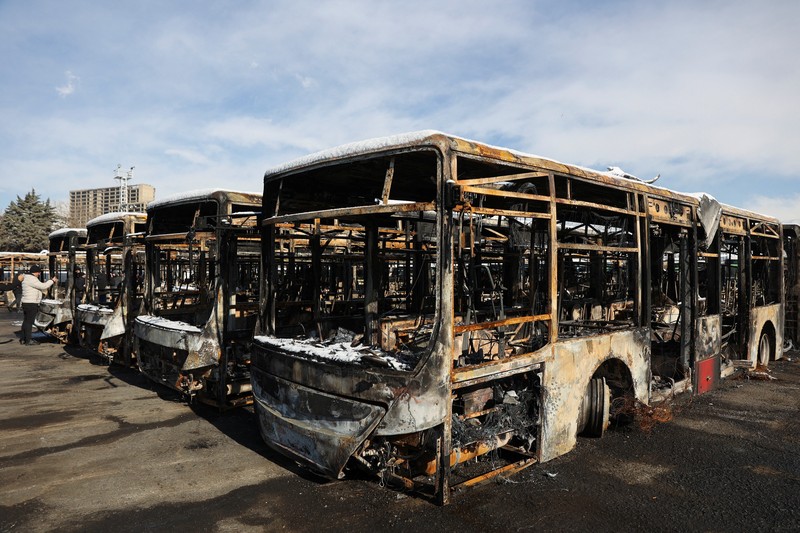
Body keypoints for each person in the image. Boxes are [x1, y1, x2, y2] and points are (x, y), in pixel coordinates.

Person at [20, 265, 57, 345]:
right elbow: (43, 286)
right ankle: (28, 340)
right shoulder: (31, 279)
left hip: (26, 302)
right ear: (35, 272)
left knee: (26, 321)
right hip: (31, 303)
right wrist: (52, 281)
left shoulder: (27, 278)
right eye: (38, 273)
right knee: (29, 322)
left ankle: (23, 339)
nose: (39, 274)